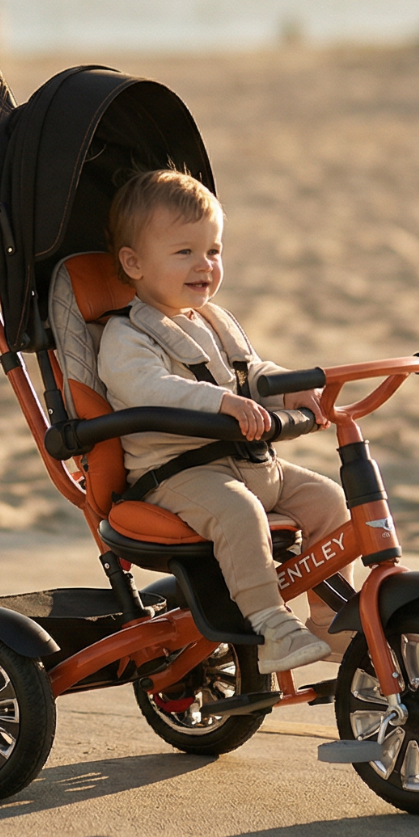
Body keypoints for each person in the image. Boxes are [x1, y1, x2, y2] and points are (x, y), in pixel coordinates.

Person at [95, 169, 351, 673]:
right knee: (240, 515)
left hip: (249, 463)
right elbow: (149, 388)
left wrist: (289, 383)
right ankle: (270, 623)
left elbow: (247, 372)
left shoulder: (212, 320)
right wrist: (221, 403)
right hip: (178, 476)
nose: (204, 265)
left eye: (213, 251)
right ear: (134, 263)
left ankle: (328, 614)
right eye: (184, 252)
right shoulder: (126, 337)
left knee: (328, 500)